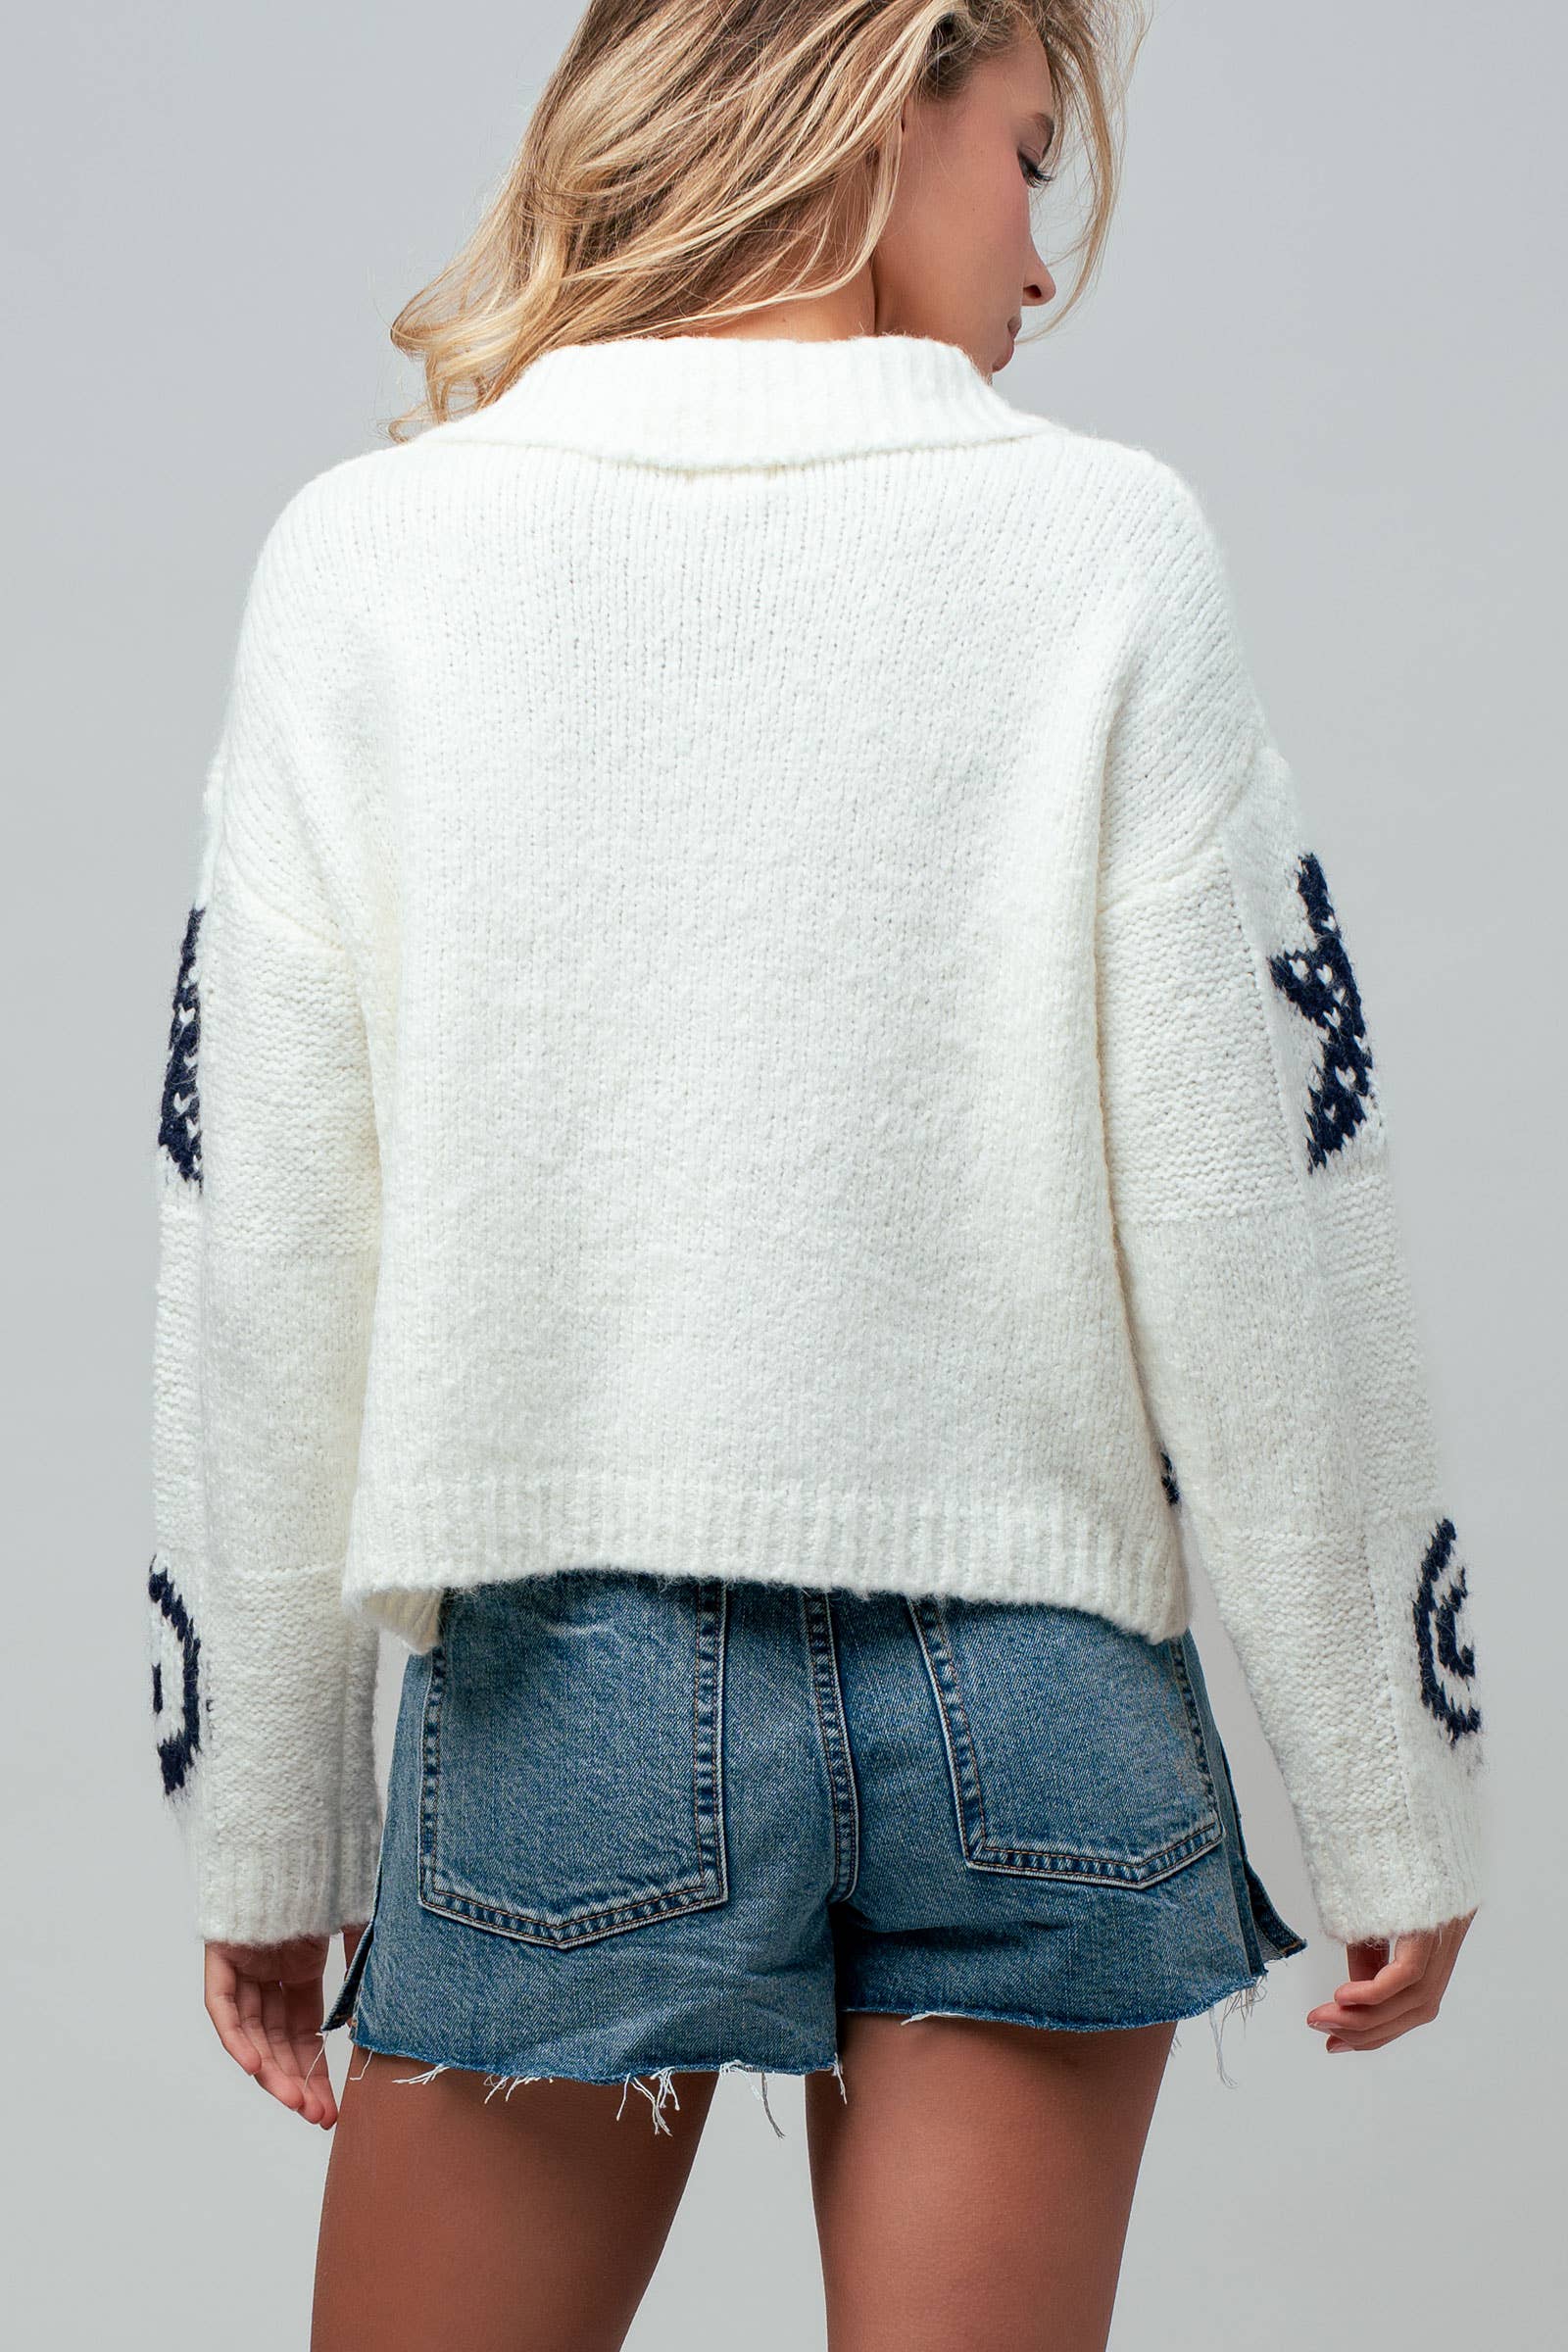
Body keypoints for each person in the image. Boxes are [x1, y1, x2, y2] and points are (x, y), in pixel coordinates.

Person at [143, 5, 1488, 2346]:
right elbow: (1258, 1208)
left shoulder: (372, 562)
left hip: (567, 1689)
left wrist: (270, 1814)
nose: (1036, 262)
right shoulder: (1098, 544)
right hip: (1042, 1684)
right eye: (1029, 160)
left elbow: (265, 1234)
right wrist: (1386, 1786)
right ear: (887, 99)